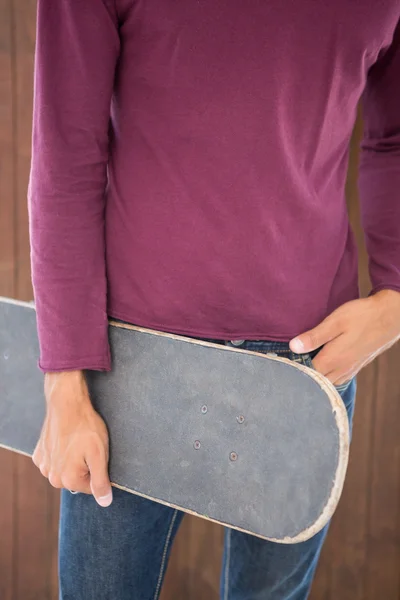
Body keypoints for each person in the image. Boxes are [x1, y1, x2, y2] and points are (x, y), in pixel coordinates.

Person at [28, 1, 400, 599]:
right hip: (131, 365)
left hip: (308, 365)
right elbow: (65, 152)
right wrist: (63, 380)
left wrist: (397, 299)